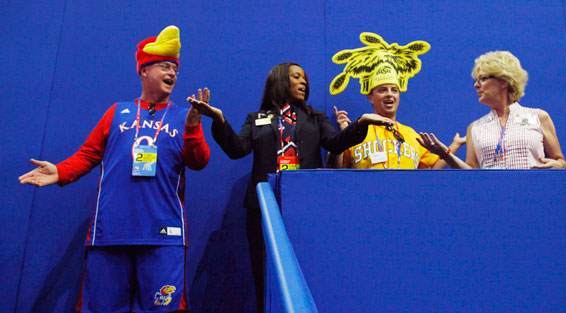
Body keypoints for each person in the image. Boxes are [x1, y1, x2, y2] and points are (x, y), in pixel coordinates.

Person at [19, 25, 210, 312]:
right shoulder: (117, 112)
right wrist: (60, 172)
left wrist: (194, 126)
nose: (172, 74)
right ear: (144, 70)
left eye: (175, 70)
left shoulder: (184, 117)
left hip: (162, 236)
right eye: (165, 67)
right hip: (110, 233)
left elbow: (199, 161)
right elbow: (87, 155)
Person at [187, 62, 394, 312]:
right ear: (279, 80)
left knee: (307, 271)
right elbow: (236, 149)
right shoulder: (257, 119)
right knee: (265, 275)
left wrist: (360, 124)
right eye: (296, 76)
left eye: (305, 78)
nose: (303, 81)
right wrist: (219, 120)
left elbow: (335, 143)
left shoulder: (316, 118)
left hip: (306, 208)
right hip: (263, 211)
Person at [418, 51, 566, 169]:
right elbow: (471, 173)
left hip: (534, 194)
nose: (476, 85)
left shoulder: (538, 117)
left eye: (482, 79)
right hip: (492, 201)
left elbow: (561, 161)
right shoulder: (474, 128)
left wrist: (558, 165)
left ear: (504, 81)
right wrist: (445, 154)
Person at [327, 63, 465, 169]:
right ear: (370, 97)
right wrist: (343, 136)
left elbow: (434, 168)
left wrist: (455, 145)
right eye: (382, 90)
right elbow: (333, 170)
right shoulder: (356, 133)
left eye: (394, 90)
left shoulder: (411, 135)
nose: (389, 94)